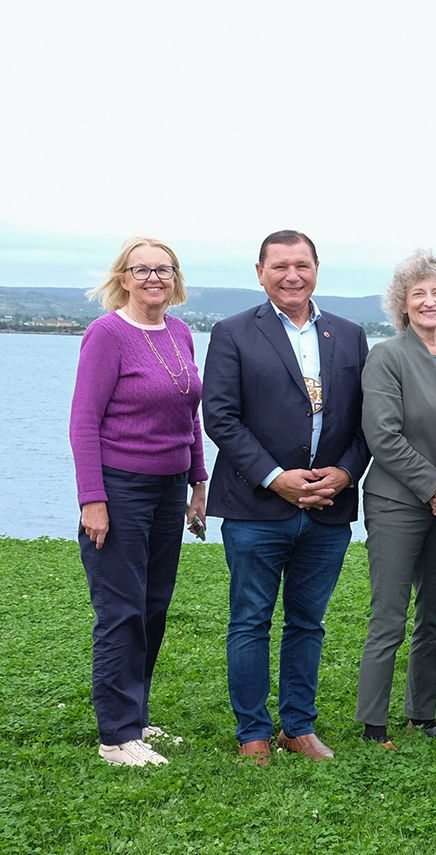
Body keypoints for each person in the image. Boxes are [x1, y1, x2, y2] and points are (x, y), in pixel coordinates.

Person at [203, 230, 371, 765]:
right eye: (279, 266)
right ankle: (253, 731)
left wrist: (345, 474)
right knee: (250, 620)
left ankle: (298, 727)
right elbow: (220, 417)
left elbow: (367, 420)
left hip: (328, 507)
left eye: (302, 264)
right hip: (255, 507)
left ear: (317, 269)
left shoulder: (350, 334)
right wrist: (276, 477)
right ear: (260, 273)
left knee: (308, 622)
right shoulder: (232, 332)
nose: (291, 275)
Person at [70, 237, 207, 767]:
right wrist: (93, 499)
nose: (154, 278)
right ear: (123, 279)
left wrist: (197, 481)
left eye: (163, 269)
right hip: (120, 487)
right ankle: (116, 737)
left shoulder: (179, 332)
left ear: (175, 278)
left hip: (170, 488)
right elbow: (84, 422)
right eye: (141, 269)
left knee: (152, 607)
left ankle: (137, 719)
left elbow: (189, 415)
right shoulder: (107, 334)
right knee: (121, 611)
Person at [354, 250, 436, 749]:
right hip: (398, 504)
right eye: (418, 294)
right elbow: (382, 436)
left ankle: (421, 713)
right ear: (402, 304)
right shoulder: (387, 356)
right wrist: (433, 487)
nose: (430, 302)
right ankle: (373, 724)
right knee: (389, 614)